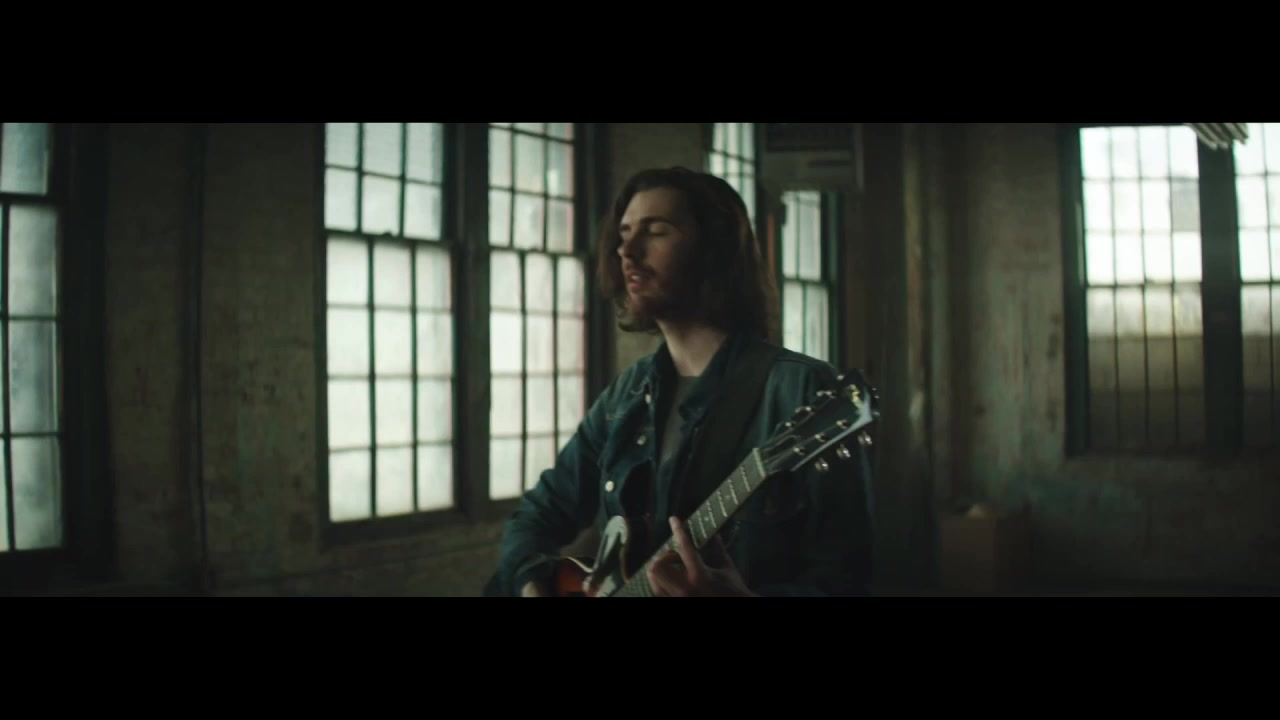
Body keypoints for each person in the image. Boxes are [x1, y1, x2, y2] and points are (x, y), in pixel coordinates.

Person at [485, 167, 875, 597]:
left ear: (714, 251)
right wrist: (531, 585)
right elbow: (536, 516)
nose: (628, 251)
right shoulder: (626, 397)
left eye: (656, 231)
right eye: (624, 234)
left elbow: (846, 580)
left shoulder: (802, 390)